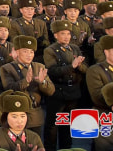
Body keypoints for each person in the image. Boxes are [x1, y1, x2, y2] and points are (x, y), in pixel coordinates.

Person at [42, 19, 88, 151]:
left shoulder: (75, 48)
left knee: (68, 124)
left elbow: (85, 69)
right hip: (57, 91)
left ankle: (66, 148)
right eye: (63, 33)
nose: (66, 37)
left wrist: (79, 66)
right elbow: (53, 71)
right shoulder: (50, 50)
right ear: (56, 35)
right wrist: (72, 66)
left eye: (68, 34)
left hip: (73, 91)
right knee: (53, 125)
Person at [0, 35, 53, 133]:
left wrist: (43, 82)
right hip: (17, 115)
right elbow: (9, 88)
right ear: (17, 51)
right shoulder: (7, 68)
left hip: (35, 115)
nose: (29, 55)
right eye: (25, 51)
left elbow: (51, 91)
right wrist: (26, 81)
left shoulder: (39, 67)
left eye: (31, 52)